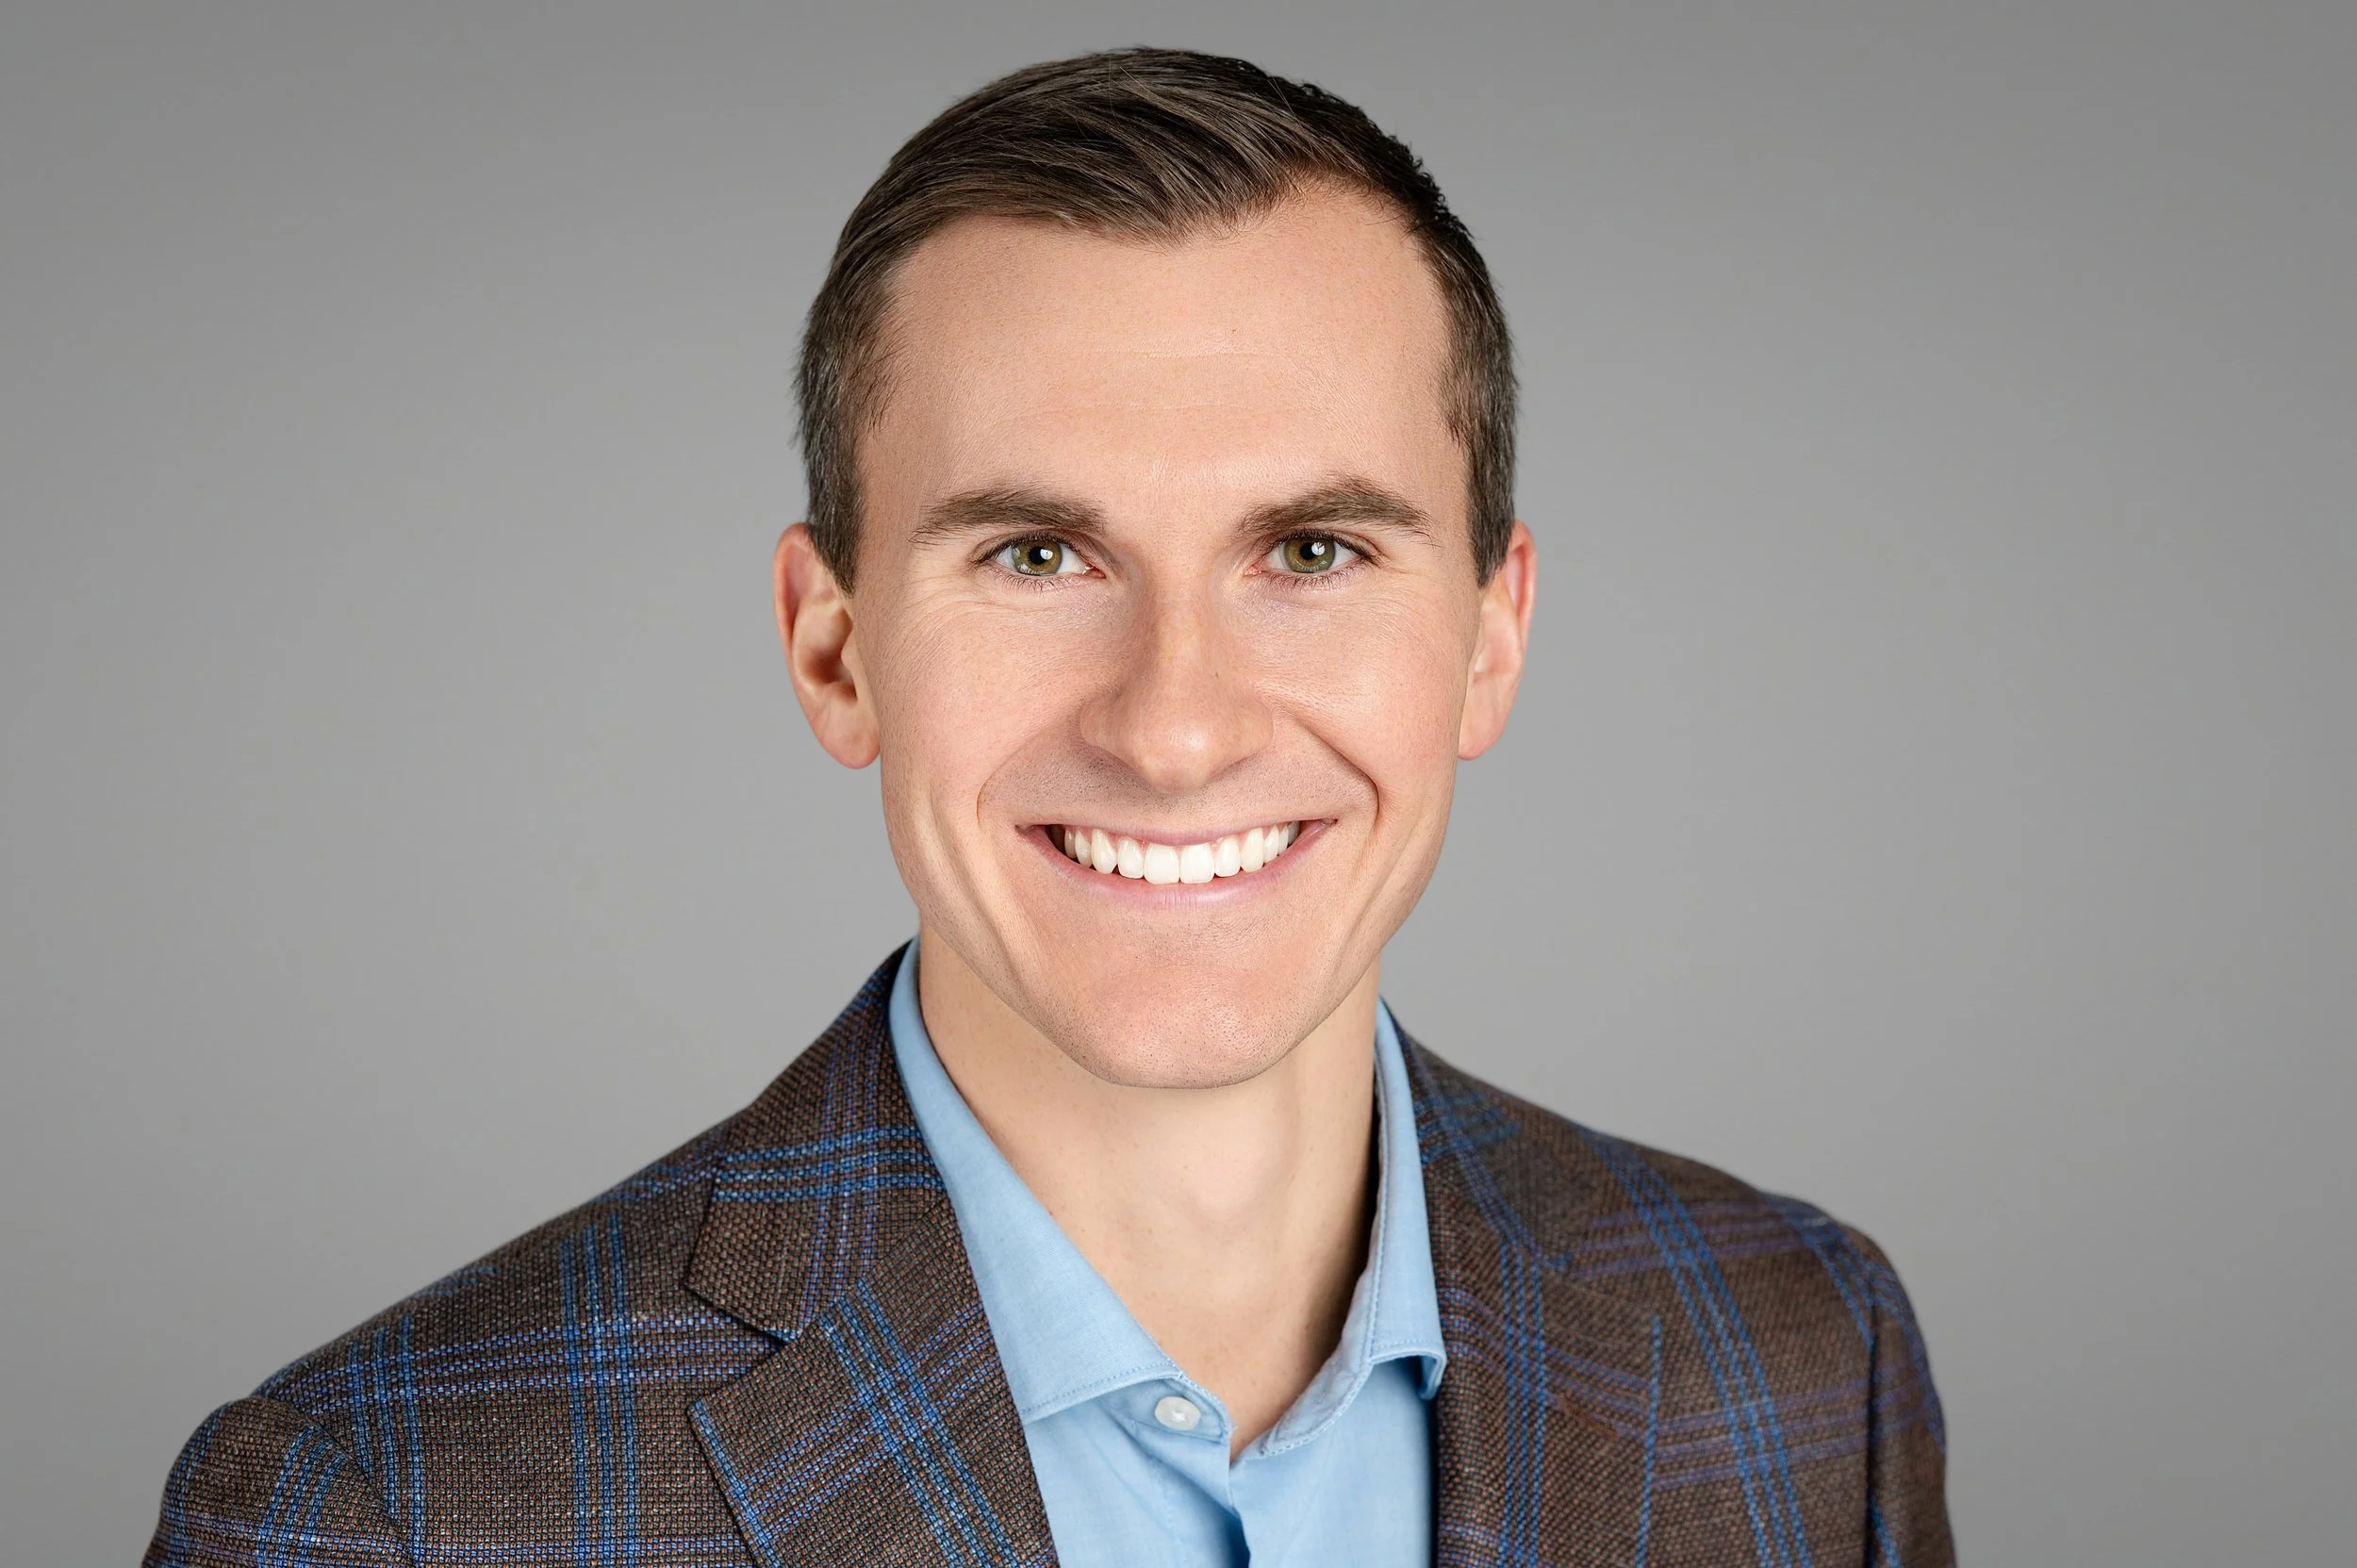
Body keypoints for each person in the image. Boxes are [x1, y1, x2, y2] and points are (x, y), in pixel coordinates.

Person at [146, 47, 1951, 1568]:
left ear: (1491, 641)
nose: (1174, 727)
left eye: (1310, 551)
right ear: (834, 649)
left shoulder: (1802, 1353)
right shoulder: (381, 1506)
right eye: (1035, 552)